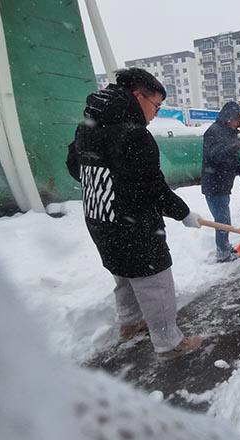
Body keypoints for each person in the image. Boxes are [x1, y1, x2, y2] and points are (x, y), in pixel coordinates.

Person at [66, 68, 203, 360]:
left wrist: (108, 182)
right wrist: (184, 213)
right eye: (156, 105)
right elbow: (152, 188)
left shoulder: (87, 126)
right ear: (138, 95)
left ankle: (130, 324)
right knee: (156, 284)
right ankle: (169, 343)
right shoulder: (134, 135)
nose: (155, 114)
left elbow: (74, 168)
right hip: (133, 228)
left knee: (124, 277)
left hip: (100, 220)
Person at [201, 101, 240, 262]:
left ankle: (225, 246)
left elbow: (233, 158)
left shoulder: (230, 132)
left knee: (224, 219)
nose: (239, 123)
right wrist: (236, 144)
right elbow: (216, 156)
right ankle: (223, 253)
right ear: (230, 117)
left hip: (223, 184)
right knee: (222, 221)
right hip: (214, 185)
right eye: (238, 119)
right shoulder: (213, 132)